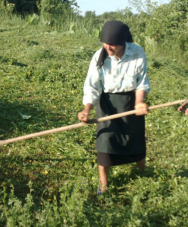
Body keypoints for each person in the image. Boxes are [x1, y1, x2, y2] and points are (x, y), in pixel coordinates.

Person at [77, 20, 151, 194]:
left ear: (123, 42)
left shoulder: (137, 52)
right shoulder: (99, 56)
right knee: (105, 142)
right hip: (107, 104)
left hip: (131, 103)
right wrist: (86, 109)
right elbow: (92, 86)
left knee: (135, 140)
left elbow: (141, 82)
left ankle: (142, 173)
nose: (108, 47)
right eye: (105, 43)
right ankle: (104, 184)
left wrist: (139, 102)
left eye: (113, 44)